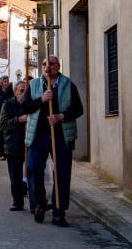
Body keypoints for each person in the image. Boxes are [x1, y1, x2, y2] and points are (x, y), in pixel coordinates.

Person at [19, 55, 84, 228]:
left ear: (58, 66)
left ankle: (59, 212)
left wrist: (61, 116)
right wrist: (41, 100)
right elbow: (24, 107)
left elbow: (78, 109)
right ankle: (39, 203)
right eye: (44, 64)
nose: (47, 66)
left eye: (51, 63)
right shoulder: (34, 85)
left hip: (61, 137)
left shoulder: (68, 84)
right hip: (38, 136)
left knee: (61, 174)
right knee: (33, 169)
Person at [0, 79, 30, 211]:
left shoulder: (31, 104)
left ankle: (35, 203)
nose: (24, 93)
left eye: (26, 91)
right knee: (15, 176)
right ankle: (17, 201)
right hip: (13, 144)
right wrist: (19, 120)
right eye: (21, 91)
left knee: (32, 174)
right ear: (15, 92)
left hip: (29, 143)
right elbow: (2, 124)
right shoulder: (8, 104)